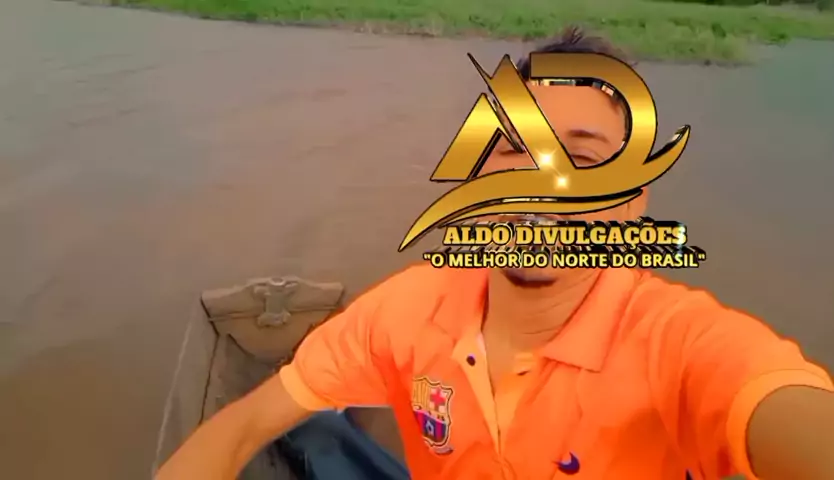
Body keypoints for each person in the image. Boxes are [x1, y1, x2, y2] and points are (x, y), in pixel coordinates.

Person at [156, 27, 834, 480]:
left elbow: (777, 407)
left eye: (584, 159)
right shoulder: (407, 309)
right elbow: (242, 425)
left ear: (631, 204)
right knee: (309, 432)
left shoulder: (676, 345)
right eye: (515, 149)